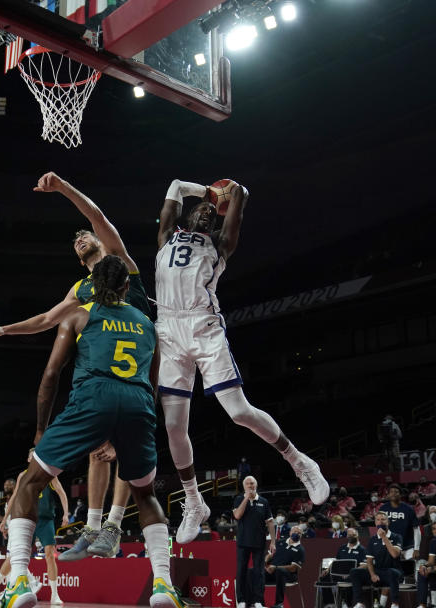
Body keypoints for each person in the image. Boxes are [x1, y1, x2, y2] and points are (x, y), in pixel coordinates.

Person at [0, 172, 148, 561]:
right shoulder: (81, 288)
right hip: (105, 371)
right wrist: (6, 328)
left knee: (123, 447)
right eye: (75, 240)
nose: (80, 238)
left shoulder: (120, 264)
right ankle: (93, 529)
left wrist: (63, 188)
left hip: (141, 356)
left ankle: (114, 526)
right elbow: (46, 319)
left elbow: (96, 215)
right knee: (96, 450)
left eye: (84, 235)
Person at [0, 255, 184, 608]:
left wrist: (41, 430)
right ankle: (163, 585)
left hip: (93, 399)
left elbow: (51, 376)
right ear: (126, 287)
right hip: (138, 406)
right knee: (145, 496)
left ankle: (19, 579)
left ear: (92, 287)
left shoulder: (79, 314)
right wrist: (127, 427)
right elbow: (153, 385)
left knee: (31, 482)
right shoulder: (147, 323)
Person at [155, 178, 329, 544]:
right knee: (173, 426)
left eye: (210, 211)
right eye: (200, 209)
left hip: (202, 326)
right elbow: (174, 186)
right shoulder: (167, 234)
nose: (206, 212)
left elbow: (241, 193)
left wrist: (224, 195)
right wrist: (204, 191)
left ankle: (299, 461)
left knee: (237, 411)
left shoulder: (221, 243)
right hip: (168, 329)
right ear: (189, 215)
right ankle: (193, 501)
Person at [0, 452, 69, 604]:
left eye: (37, 455)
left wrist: (66, 514)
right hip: (28, 518)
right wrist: (4, 520)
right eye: (31, 456)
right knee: (15, 555)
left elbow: (61, 493)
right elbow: (14, 497)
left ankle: (54, 594)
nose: (34, 458)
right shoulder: (23, 476)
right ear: (29, 459)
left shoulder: (49, 473)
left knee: (49, 553)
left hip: (46, 519)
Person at [233, 476, 275, 608]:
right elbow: (237, 515)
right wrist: (246, 498)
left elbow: (270, 522)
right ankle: (241, 601)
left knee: (259, 572)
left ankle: (258, 601)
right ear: (244, 486)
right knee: (241, 571)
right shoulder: (239, 499)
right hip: (243, 542)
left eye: (252, 483)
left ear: (256, 485)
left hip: (259, 542)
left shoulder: (264, 501)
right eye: (247, 484)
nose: (250, 485)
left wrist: (273, 541)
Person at [346, 512, 403, 608]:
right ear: (375, 523)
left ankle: (395, 604)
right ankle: (360, 603)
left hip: (394, 571)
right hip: (378, 572)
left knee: (392, 572)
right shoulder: (373, 540)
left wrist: (384, 537)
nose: (380, 522)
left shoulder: (396, 537)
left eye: (383, 519)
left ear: (388, 522)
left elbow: (394, 554)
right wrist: (372, 574)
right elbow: (369, 561)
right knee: (354, 572)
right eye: (378, 520)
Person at [318, 527, 366, 607]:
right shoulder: (342, 548)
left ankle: (347, 603)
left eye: (353, 534)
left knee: (349, 580)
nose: (351, 536)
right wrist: (327, 569)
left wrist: (351, 573)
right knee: (324, 577)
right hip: (339, 574)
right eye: (349, 535)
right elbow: (335, 561)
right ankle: (331, 603)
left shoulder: (362, 550)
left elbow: (364, 565)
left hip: (352, 575)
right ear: (347, 536)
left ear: (357, 535)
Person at [265, 529, 305, 608]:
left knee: (280, 571)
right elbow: (270, 555)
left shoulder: (300, 550)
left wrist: (275, 567)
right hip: (273, 572)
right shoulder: (280, 542)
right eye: (295, 532)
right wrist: (266, 560)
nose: (296, 534)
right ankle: (256, 601)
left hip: (289, 575)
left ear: (301, 536)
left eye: (299, 533)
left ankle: (279, 604)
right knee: (252, 571)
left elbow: (293, 568)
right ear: (290, 532)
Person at [380, 484, 419, 559]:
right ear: (388, 494)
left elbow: (416, 530)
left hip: (408, 546)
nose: (393, 493)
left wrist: (416, 548)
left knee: (409, 567)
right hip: (391, 546)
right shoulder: (383, 508)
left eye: (396, 492)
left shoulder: (408, 509)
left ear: (400, 495)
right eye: (391, 492)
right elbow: (380, 528)